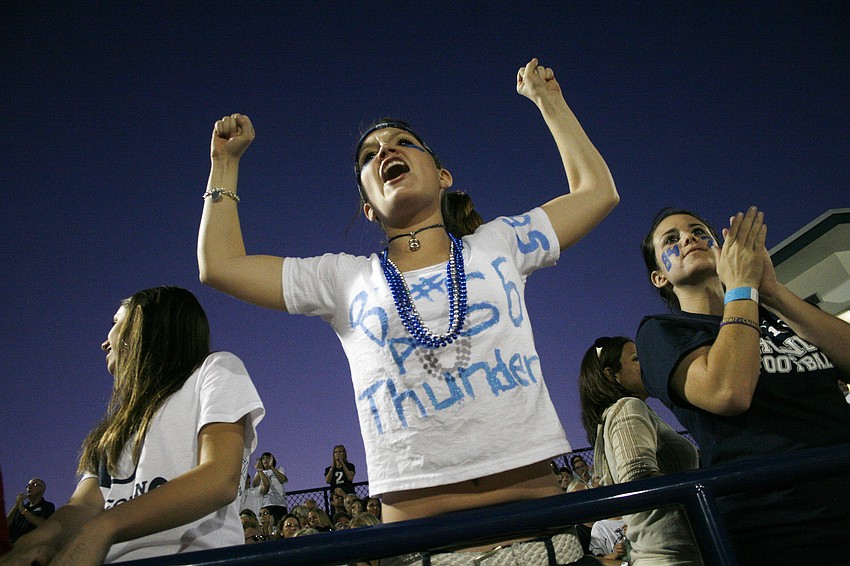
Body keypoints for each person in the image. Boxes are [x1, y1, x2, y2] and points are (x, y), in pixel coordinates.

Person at [198, 58, 618, 563]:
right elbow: (221, 264)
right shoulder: (344, 280)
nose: (385, 151)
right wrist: (225, 163)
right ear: (369, 206)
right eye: (370, 155)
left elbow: (597, 193)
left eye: (401, 142)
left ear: (442, 176)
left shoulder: (499, 243)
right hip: (425, 552)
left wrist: (549, 102)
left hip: (542, 541)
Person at [636, 207, 850, 563]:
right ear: (660, 277)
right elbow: (727, 392)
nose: (688, 239)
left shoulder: (776, 314)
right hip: (786, 526)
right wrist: (739, 288)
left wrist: (772, 292)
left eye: (699, 231)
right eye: (671, 241)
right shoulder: (662, 332)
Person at [0, 286, 265, 565]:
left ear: (142, 325)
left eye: (116, 323)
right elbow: (83, 506)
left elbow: (219, 478)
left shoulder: (215, 370)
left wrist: (103, 529)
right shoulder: (113, 428)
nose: (105, 343)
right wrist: (24, 548)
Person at [579, 336, 702, 565]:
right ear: (611, 374)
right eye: (636, 359)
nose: (645, 363)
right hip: (669, 556)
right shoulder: (627, 408)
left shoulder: (617, 414)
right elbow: (639, 478)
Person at [6, 479, 55, 543]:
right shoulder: (21, 507)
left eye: (34, 485)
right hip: (13, 548)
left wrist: (23, 510)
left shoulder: (47, 506)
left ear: (41, 490)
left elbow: (43, 524)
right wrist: (17, 505)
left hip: (31, 547)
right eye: (28, 485)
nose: (29, 487)